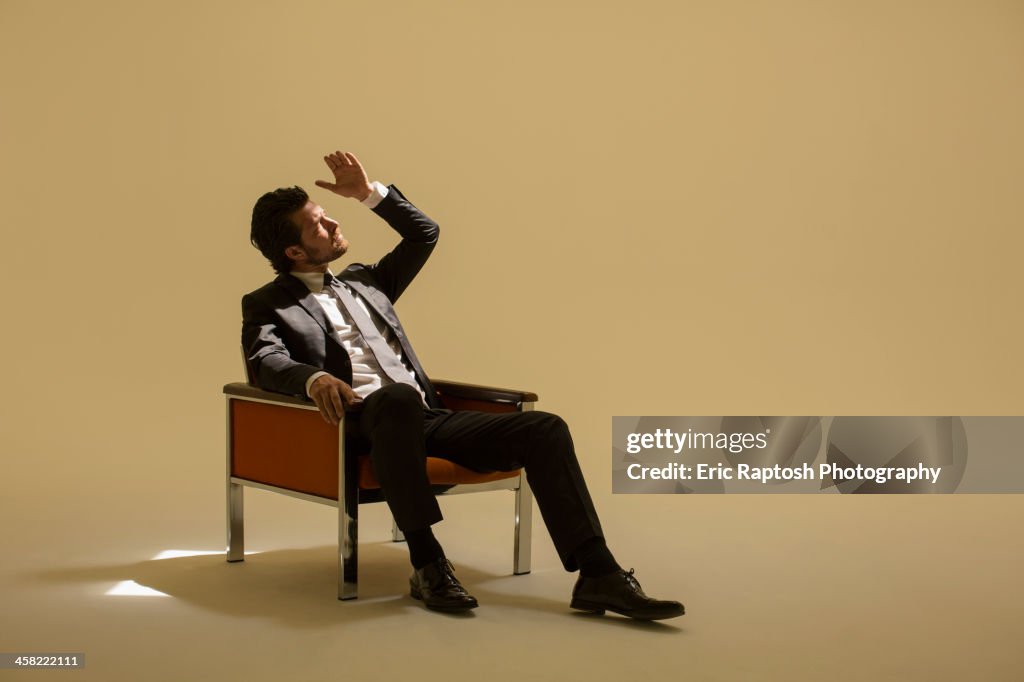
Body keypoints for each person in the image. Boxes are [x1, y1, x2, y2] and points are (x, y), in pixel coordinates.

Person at [242, 150, 684, 620]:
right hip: (358, 424)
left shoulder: (366, 282)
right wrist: (313, 377)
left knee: (545, 428)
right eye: (318, 226)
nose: (332, 224)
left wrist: (368, 194)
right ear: (294, 252)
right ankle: (427, 563)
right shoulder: (268, 303)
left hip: (426, 419)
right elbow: (264, 359)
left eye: (328, 215)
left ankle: (599, 575)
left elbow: (424, 233)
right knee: (395, 399)